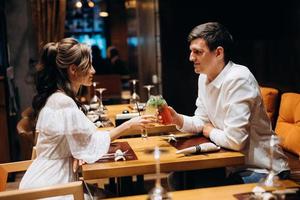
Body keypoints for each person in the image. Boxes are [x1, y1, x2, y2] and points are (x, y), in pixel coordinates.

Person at [19, 38, 156, 198]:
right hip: (53, 186)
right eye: (88, 65)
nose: (93, 71)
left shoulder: (58, 97)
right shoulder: (62, 101)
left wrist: (75, 153)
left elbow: (81, 143)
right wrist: (128, 126)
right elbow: (90, 144)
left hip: (51, 178)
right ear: (73, 69)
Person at [166, 22, 289, 190]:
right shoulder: (204, 77)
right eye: (191, 51)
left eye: (198, 52)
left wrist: (209, 130)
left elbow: (235, 140)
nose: (191, 58)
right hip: (232, 163)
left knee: (204, 188)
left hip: (263, 169)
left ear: (218, 53)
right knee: (178, 178)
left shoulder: (238, 79)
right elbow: (201, 120)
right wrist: (178, 119)